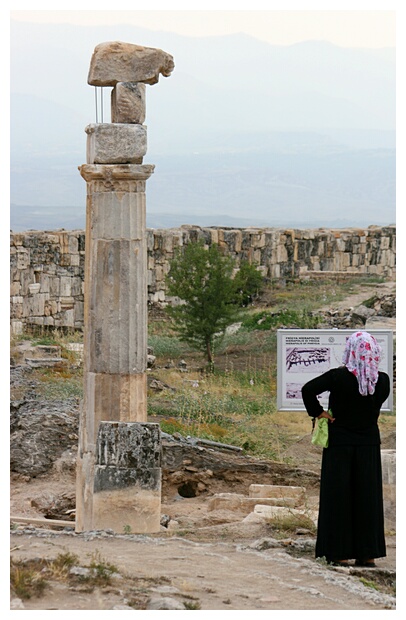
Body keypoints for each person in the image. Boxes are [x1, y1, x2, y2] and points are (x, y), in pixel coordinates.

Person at [301, 331, 390, 567]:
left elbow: (308, 389)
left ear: (351, 350)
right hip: (369, 444)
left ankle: (338, 552)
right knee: (367, 498)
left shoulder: (338, 377)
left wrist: (318, 412)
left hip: (340, 443)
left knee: (338, 495)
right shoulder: (381, 380)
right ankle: (367, 554)